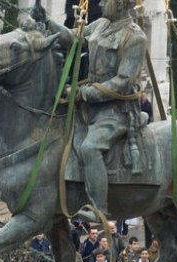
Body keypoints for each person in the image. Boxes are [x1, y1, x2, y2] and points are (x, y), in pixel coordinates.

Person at [48, 0, 148, 222]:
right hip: (89, 107)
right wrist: (47, 22)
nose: (101, 3)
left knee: (89, 147)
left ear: (121, 5)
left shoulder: (134, 37)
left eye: (107, 1)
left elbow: (123, 81)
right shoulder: (101, 24)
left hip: (116, 110)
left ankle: (99, 208)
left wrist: (83, 93)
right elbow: (75, 38)